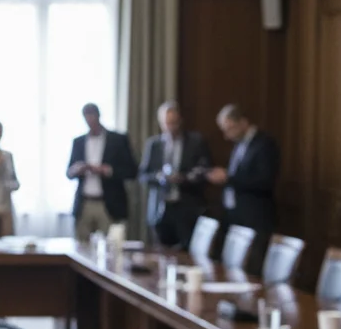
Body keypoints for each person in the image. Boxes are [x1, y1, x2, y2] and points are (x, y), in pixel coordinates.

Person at [207, 103, 279, 268]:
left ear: (243, 122)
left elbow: (265, 181)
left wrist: (228, 178)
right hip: (235, 215)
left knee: (252, 268)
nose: (226, 136)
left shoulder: (264, 144)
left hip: (255, 217)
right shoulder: (240, 143)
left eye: (229, 129)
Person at [139, 101, 212, 248]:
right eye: (167, 123)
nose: (171, 127)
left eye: (174, 123)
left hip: (187, 207)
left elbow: (205, 170)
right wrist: (159, 177)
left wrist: (183, 178)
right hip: (160, 208)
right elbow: (143, 175)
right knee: (160, 252)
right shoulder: (154, 144)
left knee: (186, 251)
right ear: (161, 123)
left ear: (180, 121)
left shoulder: (195, 142)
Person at [66, 103, 137, 239]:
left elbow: (132, 171)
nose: (90, 120)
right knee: (81, 245)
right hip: (85, 203)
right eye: (87, 117)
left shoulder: (117, 140)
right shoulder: (78, 142)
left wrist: (107, 170)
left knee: (111, 245)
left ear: (98, 116)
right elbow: (69, 173)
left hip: (109, 204)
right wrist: (77, 169)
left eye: (92, 116)